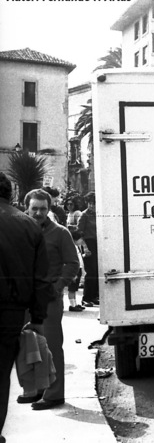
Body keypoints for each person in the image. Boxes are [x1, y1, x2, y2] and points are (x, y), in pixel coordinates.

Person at [0, 173, 52, 440]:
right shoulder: (28, 226)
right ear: (11, 194)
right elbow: (41, 279)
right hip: (9, 316)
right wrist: (38, 318)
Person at [21, 189, 80, 410]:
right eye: (34, 208)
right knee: (30, 346)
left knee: (51, 346)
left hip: (48, 301)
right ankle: (37, 389)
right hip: (25, 299)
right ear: (27, 207)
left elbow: (72, 263)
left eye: (43, 209)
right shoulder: (21, 230)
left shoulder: (60, 233)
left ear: (49, 209)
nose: (38, 213)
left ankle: (55, 395)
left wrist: (56, 288)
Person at [78, 192, 99, 306]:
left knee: (96, 271)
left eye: (94, 204)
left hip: (97, 244)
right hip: (88, 244)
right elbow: (79, 233)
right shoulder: (84, 215)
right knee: (90, 272)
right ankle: (86, 298)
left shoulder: (98, 214)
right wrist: (85, 248)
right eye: (90, 203)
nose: (91, 206)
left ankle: (94, 296)